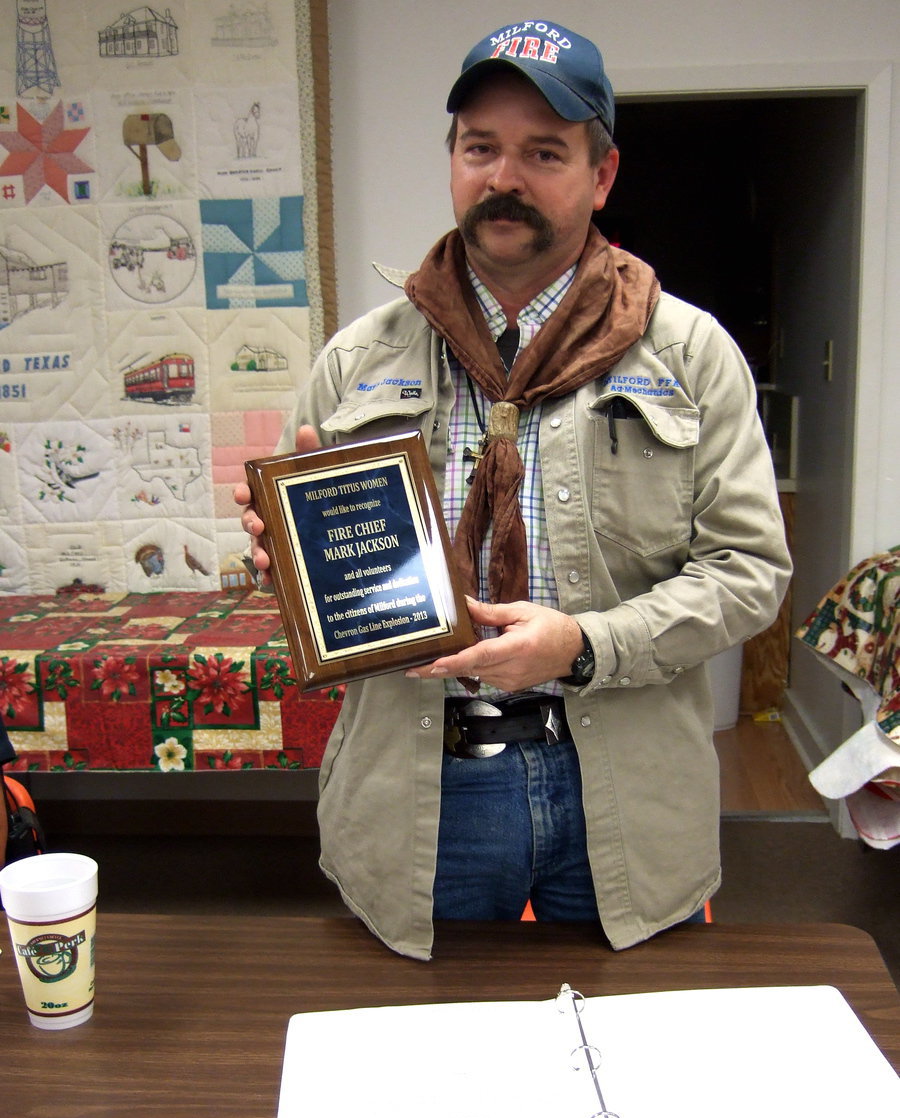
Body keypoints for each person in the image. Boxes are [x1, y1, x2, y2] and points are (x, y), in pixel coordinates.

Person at [235, 18, 792, 960]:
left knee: (625, 1057)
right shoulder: (359, 360)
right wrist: (285, 565)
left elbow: (749, 573)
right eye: (480, 148)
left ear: (601, 174)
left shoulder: (690, 355)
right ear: (452, 160)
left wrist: (582, 645)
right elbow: (328, 586)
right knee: (429, 1060)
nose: (505, 178)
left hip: (624, 787)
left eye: (545, 152)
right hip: (419, 794)